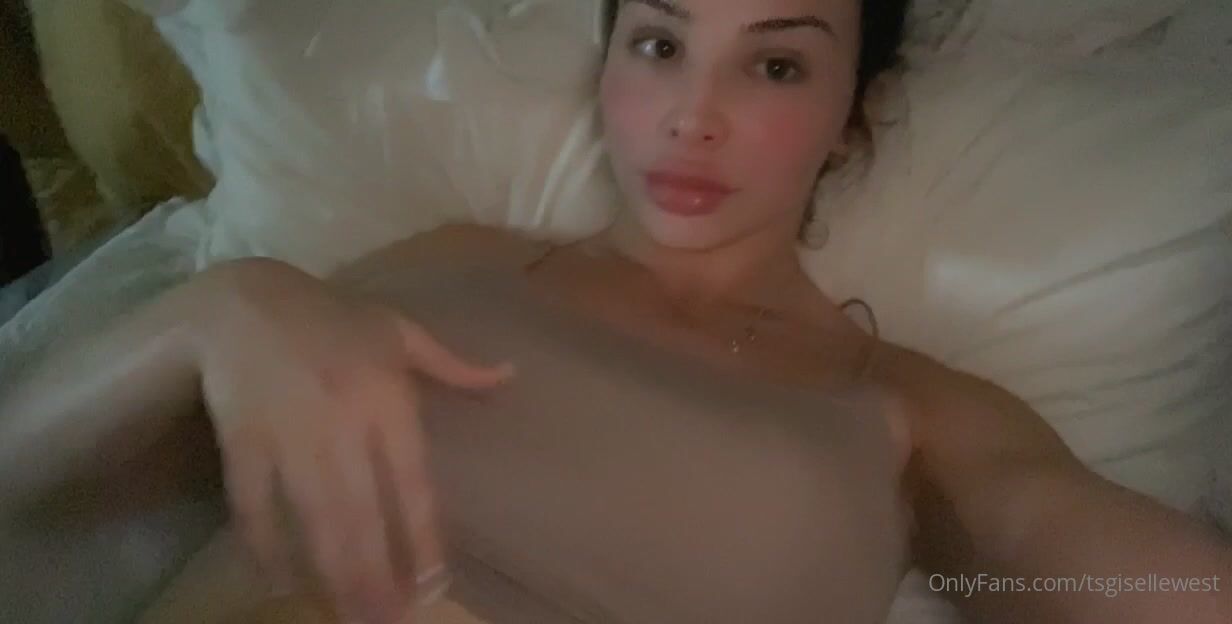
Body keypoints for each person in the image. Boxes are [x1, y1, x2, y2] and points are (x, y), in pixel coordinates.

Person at [1, 1, 1229, 623]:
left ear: (850, 112)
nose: (694, 112)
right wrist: (219, 313)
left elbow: (1105, 565)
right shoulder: (451, 262)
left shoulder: (903, 409)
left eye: (775, 64)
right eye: (656, 44)